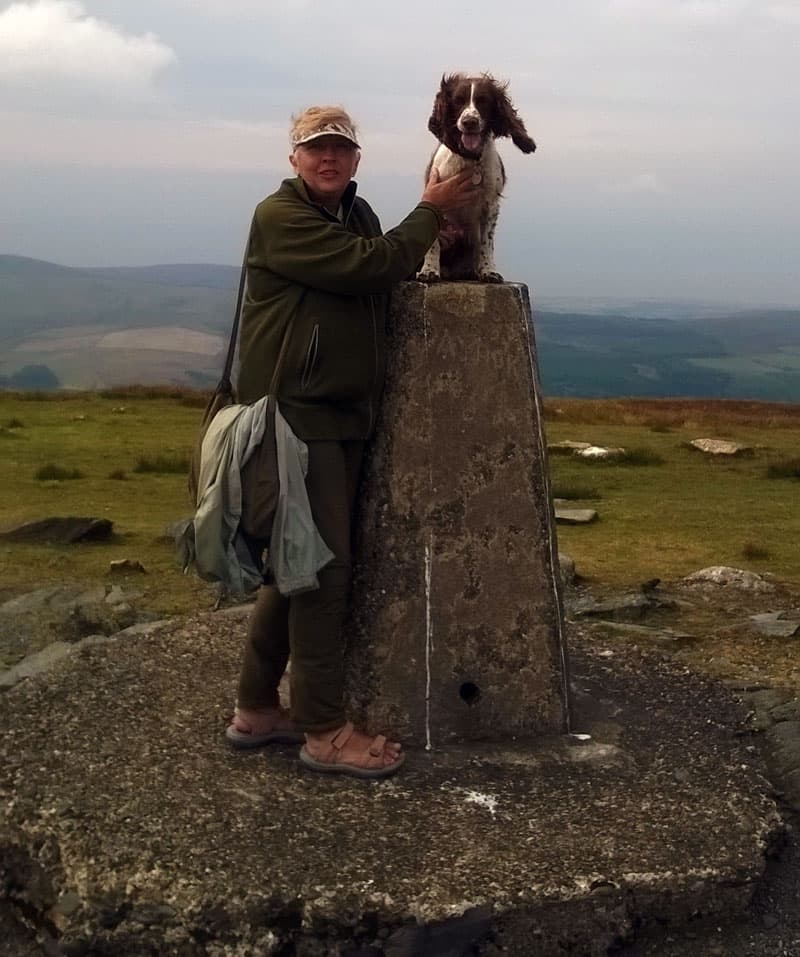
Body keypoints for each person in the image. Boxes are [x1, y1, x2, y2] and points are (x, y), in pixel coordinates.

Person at [226, 105, 477, 778]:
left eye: (339, 147)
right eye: (315, 149)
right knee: (322, 572)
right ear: (295, 160)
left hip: (342, 418)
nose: (327, 157)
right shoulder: (281, 217)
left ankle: (255, 710)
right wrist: (429, 210)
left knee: (292, 563)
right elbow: (368, 268)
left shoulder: (357, 214)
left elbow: (382, 273)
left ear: (356, 159)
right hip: (298, 418)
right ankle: (324, 730)